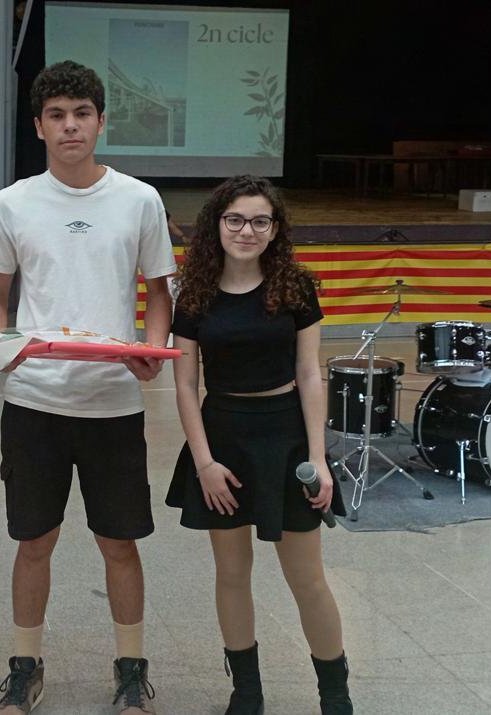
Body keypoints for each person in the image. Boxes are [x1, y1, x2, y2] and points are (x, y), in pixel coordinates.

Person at [0, 60, 176, 715]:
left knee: (119, 542)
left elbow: (159, 293)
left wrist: (151, 351)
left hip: (112, 403)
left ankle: (130, 670)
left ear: (101, 121)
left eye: (81, 114)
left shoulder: (138, 200)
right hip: (34, 401)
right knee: (34, 541)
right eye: (56, 115)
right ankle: (25, 668)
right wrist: (0, 351)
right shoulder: (11, 203)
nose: (70, 126)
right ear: (38, 126)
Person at [167, 175, 353, 715]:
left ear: (274, 229)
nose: (246, 231)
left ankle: (335, 695)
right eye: (235, 219)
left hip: (286, 437)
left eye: (259, 221)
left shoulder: (295, 287)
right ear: (217, 225)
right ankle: (246, 693)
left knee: (307, 579)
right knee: (231, 574)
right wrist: (204, 462)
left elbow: (310, 374)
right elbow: (185, 384)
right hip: (223, 437)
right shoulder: (195, 293)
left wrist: (317, 458)